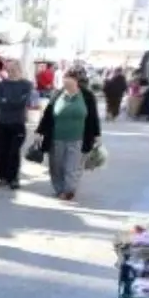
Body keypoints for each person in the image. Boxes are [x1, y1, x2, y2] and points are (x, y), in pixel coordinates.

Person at [34, 69, 101, 201]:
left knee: (72, 167)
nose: (66, 83)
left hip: (78, 138)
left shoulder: (87, 96)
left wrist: (97, 135)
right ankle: (59, 189)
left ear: (76, 81)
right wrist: (39, 132)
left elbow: (93, 117)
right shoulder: (57, 94)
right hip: (56, 138)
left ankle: (69, 190)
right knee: (56, 166)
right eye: (65, 80)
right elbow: (47, 115)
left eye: (69, 80)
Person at [0, 60, 32, 189]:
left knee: (14, 151)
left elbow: (22, 102)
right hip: (2, 122)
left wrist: (7, 101)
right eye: (8, 69)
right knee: (1, 151)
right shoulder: (1, 85)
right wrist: (10, 102)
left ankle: (14, 178)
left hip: (18, 122)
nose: (10, 72)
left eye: (13, 69)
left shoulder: (26, 85)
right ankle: (3, 177)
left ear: (19, 70)